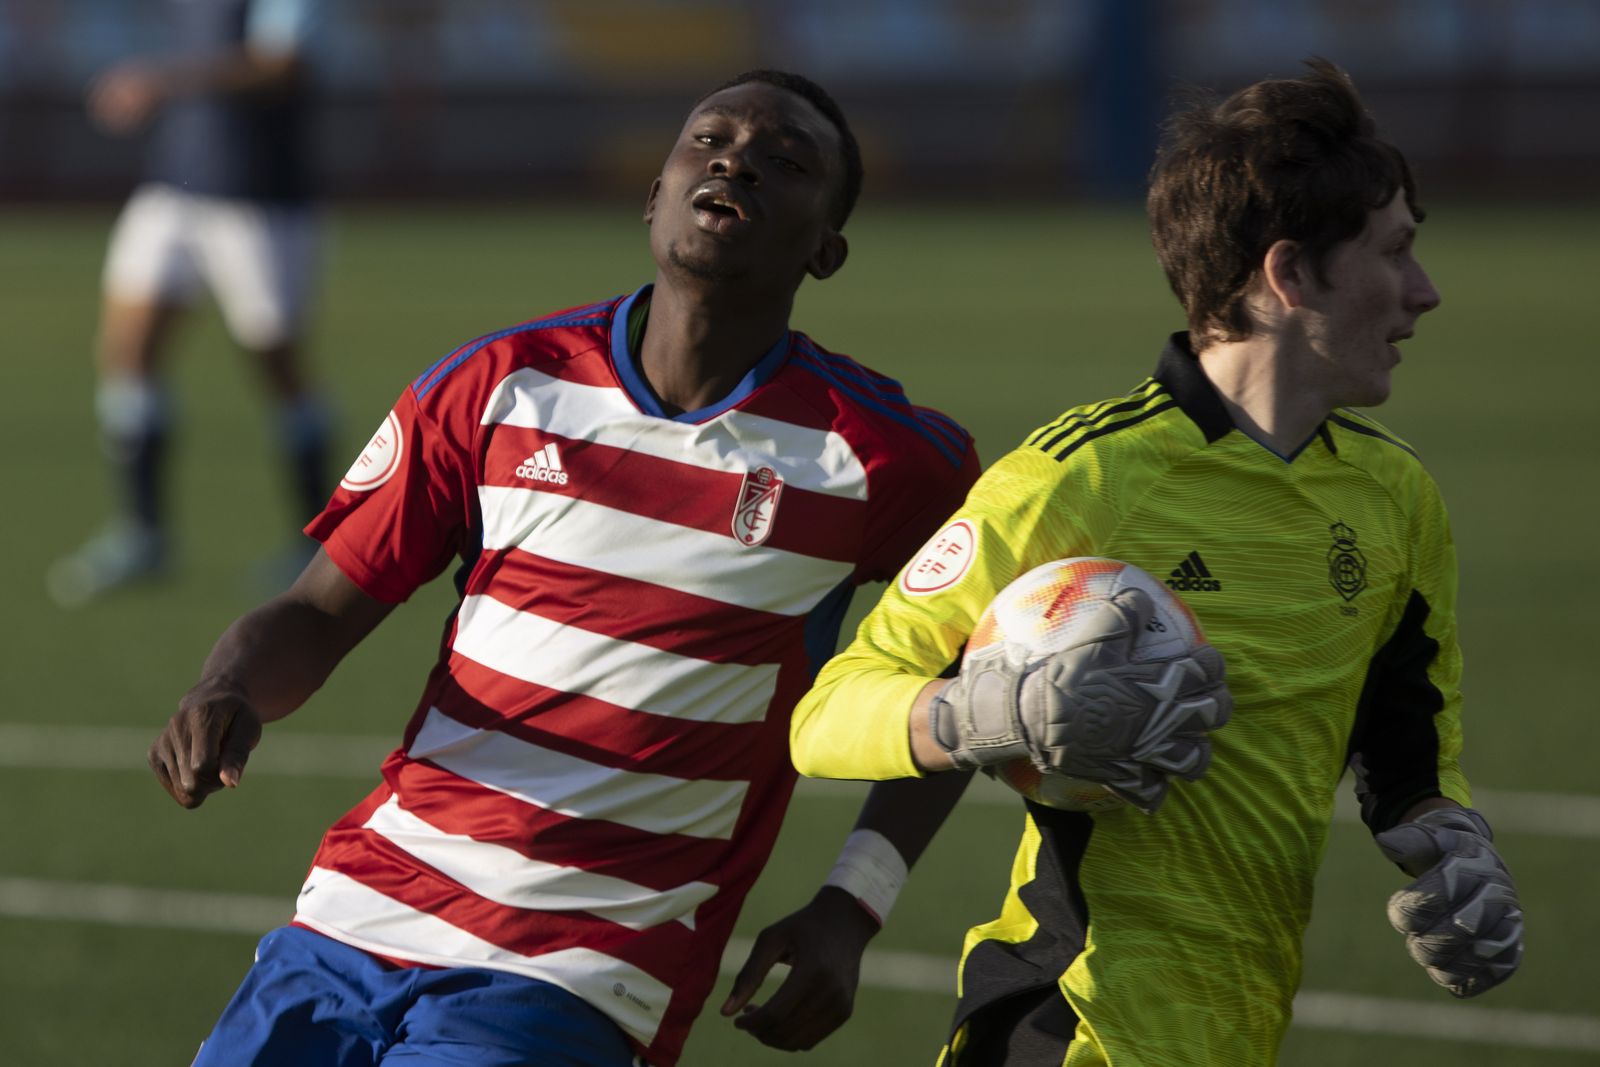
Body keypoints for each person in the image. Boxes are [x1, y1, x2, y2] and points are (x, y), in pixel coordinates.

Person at [146, 69, 980, 1067]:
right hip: (352, 913)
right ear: (654, 194)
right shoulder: (501, 383)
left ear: (824, 249)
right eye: (707, 139)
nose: (737, 158)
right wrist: (227, 686)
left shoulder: (883, 456)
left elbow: (973, 668)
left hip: (586, 965)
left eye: (785, 160)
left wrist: (855, 902)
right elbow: (319, 610)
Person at [788, 59, 1524, 1065]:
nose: (1424, 292)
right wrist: (980, 714)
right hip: (1064, 1025)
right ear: (1289, 273)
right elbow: (828, 712)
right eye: (1393, 253)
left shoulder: (1396, 501)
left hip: (1236, 1033)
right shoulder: (1077, 480)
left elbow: (1407, 751)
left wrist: (1453, 850)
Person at [48, 0, 331, 607]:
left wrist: (164, 80)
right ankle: (142, 531)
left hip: (257, 197)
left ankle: (317, 536)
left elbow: (282, 67)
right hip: (174, 186)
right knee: (128, 348)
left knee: (277, 366)